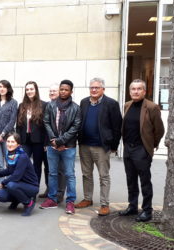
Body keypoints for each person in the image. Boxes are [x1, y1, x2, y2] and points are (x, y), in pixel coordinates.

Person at [75, 78, 122, 216]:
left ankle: (104, 204)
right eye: (92, 87)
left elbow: (117, 126)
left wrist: (114, 145)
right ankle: (87, 199)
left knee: (104, 176)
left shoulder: (111, 104)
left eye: (97, 87)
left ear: (103, 89)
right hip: (84, 145)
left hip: (101, 147)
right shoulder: (84, 102)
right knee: (86, 174)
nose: (94, 90)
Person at [119, 79, 164, 222]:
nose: (136, 91)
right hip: (128, 149)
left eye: (139, 89)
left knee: (145, 181)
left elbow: (159, 130)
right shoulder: (127, 105)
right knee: (130, 180)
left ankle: (147, 210)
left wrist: (150, 146)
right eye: (133, 89)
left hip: (142, 150)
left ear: (144, 91)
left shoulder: (152, 107)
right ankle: (132, 206)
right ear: (130, 91)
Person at [41, 80, 81, 215]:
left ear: (71, 92)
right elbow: (46, 122)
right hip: (52, 146)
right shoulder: (51, 105)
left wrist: (61, 141)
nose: (63, 91)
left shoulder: (76, 108)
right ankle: (51, 199)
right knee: (52, 173)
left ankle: (70, 202)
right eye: (61, 89)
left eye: (66, 90)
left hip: (68, 147)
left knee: (69, 174)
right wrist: (54, 141)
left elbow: (75, 127)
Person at [0, 132, 39, 216]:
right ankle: (17, 200)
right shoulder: (10, 154)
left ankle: (28, 203)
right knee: (0, 195)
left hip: (31, 186)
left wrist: (3, 182)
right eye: (8, 141)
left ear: (18, 144)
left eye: (12, 142)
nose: (9, 144)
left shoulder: (22, 156)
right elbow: (9, 170)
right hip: (18, 184)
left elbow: (16, 176)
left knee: (11, 185)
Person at [16, 81, 47, 184]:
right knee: (22, 162)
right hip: (25, 140)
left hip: (38, 141)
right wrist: (17, 141)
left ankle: (34, 188)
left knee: (37, 165)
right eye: (27, 89)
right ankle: (24, 186)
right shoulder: (21, 106)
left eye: (31, 89)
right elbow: (19, 125)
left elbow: (46, 126)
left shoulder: (44, 105)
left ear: (36, 90)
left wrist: (46, 142)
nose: (29, 91)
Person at [0, 80, 18, 184]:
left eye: (4, 87)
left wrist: (2, 134)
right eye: (0, 86)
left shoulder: (13, 102)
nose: (2, 89)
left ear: (8, 88)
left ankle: (10, 186)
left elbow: (12, 120)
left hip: (8, 138)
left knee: (10, 163)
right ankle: (2, 186)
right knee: (0, 164)